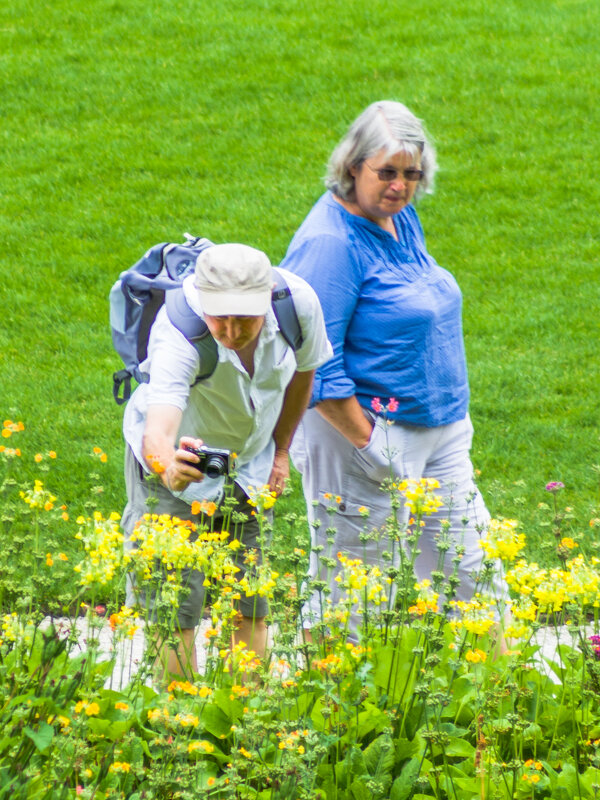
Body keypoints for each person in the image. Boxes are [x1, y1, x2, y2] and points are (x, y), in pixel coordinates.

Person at [280, 100, 505, 634]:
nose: (400, 186)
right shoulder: (331, 244)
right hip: (365, 435)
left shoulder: (398, 218)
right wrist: (369, 446)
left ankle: (501, 702)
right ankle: (340, 710)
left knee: (471, 572)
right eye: (387, 172)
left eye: (411, 173)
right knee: (354, 590)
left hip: (439, 429)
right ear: (352, 165)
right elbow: (309, 358)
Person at [120, 242, 332, 675]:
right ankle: (176, 727)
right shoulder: (179, 334)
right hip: (180, 463)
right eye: (221, 317)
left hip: (248, 467)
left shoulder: (298, 304)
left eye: (245, 319)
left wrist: (282, 451)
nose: (232, 332)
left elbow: (303, 374)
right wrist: (169, 468)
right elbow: (158, 428)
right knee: (173, 604)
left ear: (267, 299)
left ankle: (243, 720)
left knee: (250, 598)